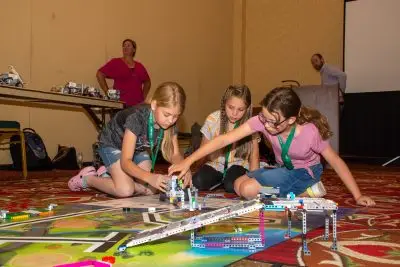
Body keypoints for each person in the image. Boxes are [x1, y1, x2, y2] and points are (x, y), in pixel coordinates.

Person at [169, 87, 375, 207]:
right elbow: (224, 139)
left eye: (272, 122)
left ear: (291, 119)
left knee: (249, 190)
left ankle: (307, 191)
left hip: (305, 172)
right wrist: (188, 160)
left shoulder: (310, 133)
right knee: (239, 185)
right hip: (284, 169)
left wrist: (357, 195)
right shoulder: (264, 120)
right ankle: (292, 190)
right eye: (264, 118)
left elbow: (336, 162)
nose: (266, 126)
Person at [68, 82, 190, 197]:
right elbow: (126, 162)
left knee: (150, 190)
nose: (171, 121)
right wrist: (150, 177)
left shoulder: (170, 124)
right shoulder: (136, 118)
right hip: (112, 144)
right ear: (154, 105)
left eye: (176, 116)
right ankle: (87, 179)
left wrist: (185, 167)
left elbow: (175, 155)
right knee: (125, 190)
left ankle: (109, 176)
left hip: (136, 148)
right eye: (167, 114)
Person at [192, 85, 259, 193]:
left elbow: (254, 156)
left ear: (247, 109)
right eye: (231, 107)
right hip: (215, 164)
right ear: (224, 103)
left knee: (231, 185)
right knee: (197, 181)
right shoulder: (213, 119)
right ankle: (219, 180)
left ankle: (225, 181)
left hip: (238, 165)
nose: (235, 113)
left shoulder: (250, 124)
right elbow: (203, 150)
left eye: (240, 109)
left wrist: (255, 179)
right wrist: (196, 170)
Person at [97, 39, 151, 107]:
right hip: (120, 104)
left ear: (134, 50)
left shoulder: (139, 66)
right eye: (124, 46)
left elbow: (147, 82)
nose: (125, 47)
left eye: (128, 45)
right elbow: (99, 74)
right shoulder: (116, 62)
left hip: (137, 106)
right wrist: (108, 93)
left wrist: (143, 97)